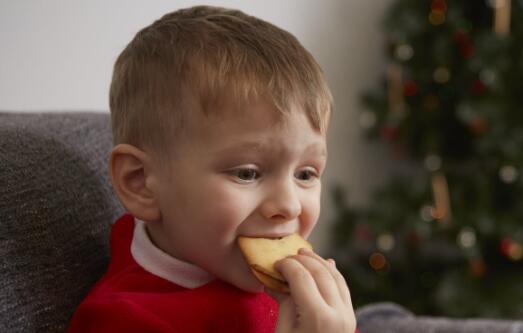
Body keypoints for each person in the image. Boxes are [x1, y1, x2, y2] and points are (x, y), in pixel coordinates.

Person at [67, 5, 357, 333]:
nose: (289, 205)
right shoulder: (123, 321)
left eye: (305, 174)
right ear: (141, 183)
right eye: (247, 173)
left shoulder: (286, 292)